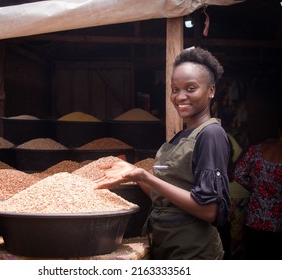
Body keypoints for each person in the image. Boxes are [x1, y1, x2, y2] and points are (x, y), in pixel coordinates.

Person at [94, 47, 231, 260]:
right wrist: (135, 172)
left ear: (211, 91)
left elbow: (208, 210)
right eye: (175, 89)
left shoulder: (211, 134)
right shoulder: (180, 136)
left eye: (191, 88)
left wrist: (144, 176)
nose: (180, 96)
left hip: (193, 253)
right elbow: (164, 197)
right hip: (166, 247)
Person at [233, 125, 282, 260]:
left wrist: (255, 188)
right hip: (277, 225)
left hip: (253, 221)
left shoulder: (257, 150)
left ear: (279, 131)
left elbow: (238, 173)